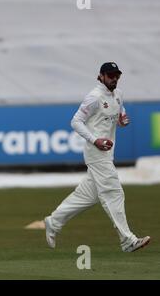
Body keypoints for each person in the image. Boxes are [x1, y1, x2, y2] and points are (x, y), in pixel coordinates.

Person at [44, 62, 150, 252]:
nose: (114, 78)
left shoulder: (118, 95)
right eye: (110, 75)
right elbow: (76, 121)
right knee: (113, 193)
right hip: (96, 152)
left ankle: (54, 221)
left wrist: (122, 120)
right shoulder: (94, 97)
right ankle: (128, 240)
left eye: (117, 75)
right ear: (101, 76)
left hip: (107, 153)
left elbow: (119, 113)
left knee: (86, 196)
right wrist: (95, 140)